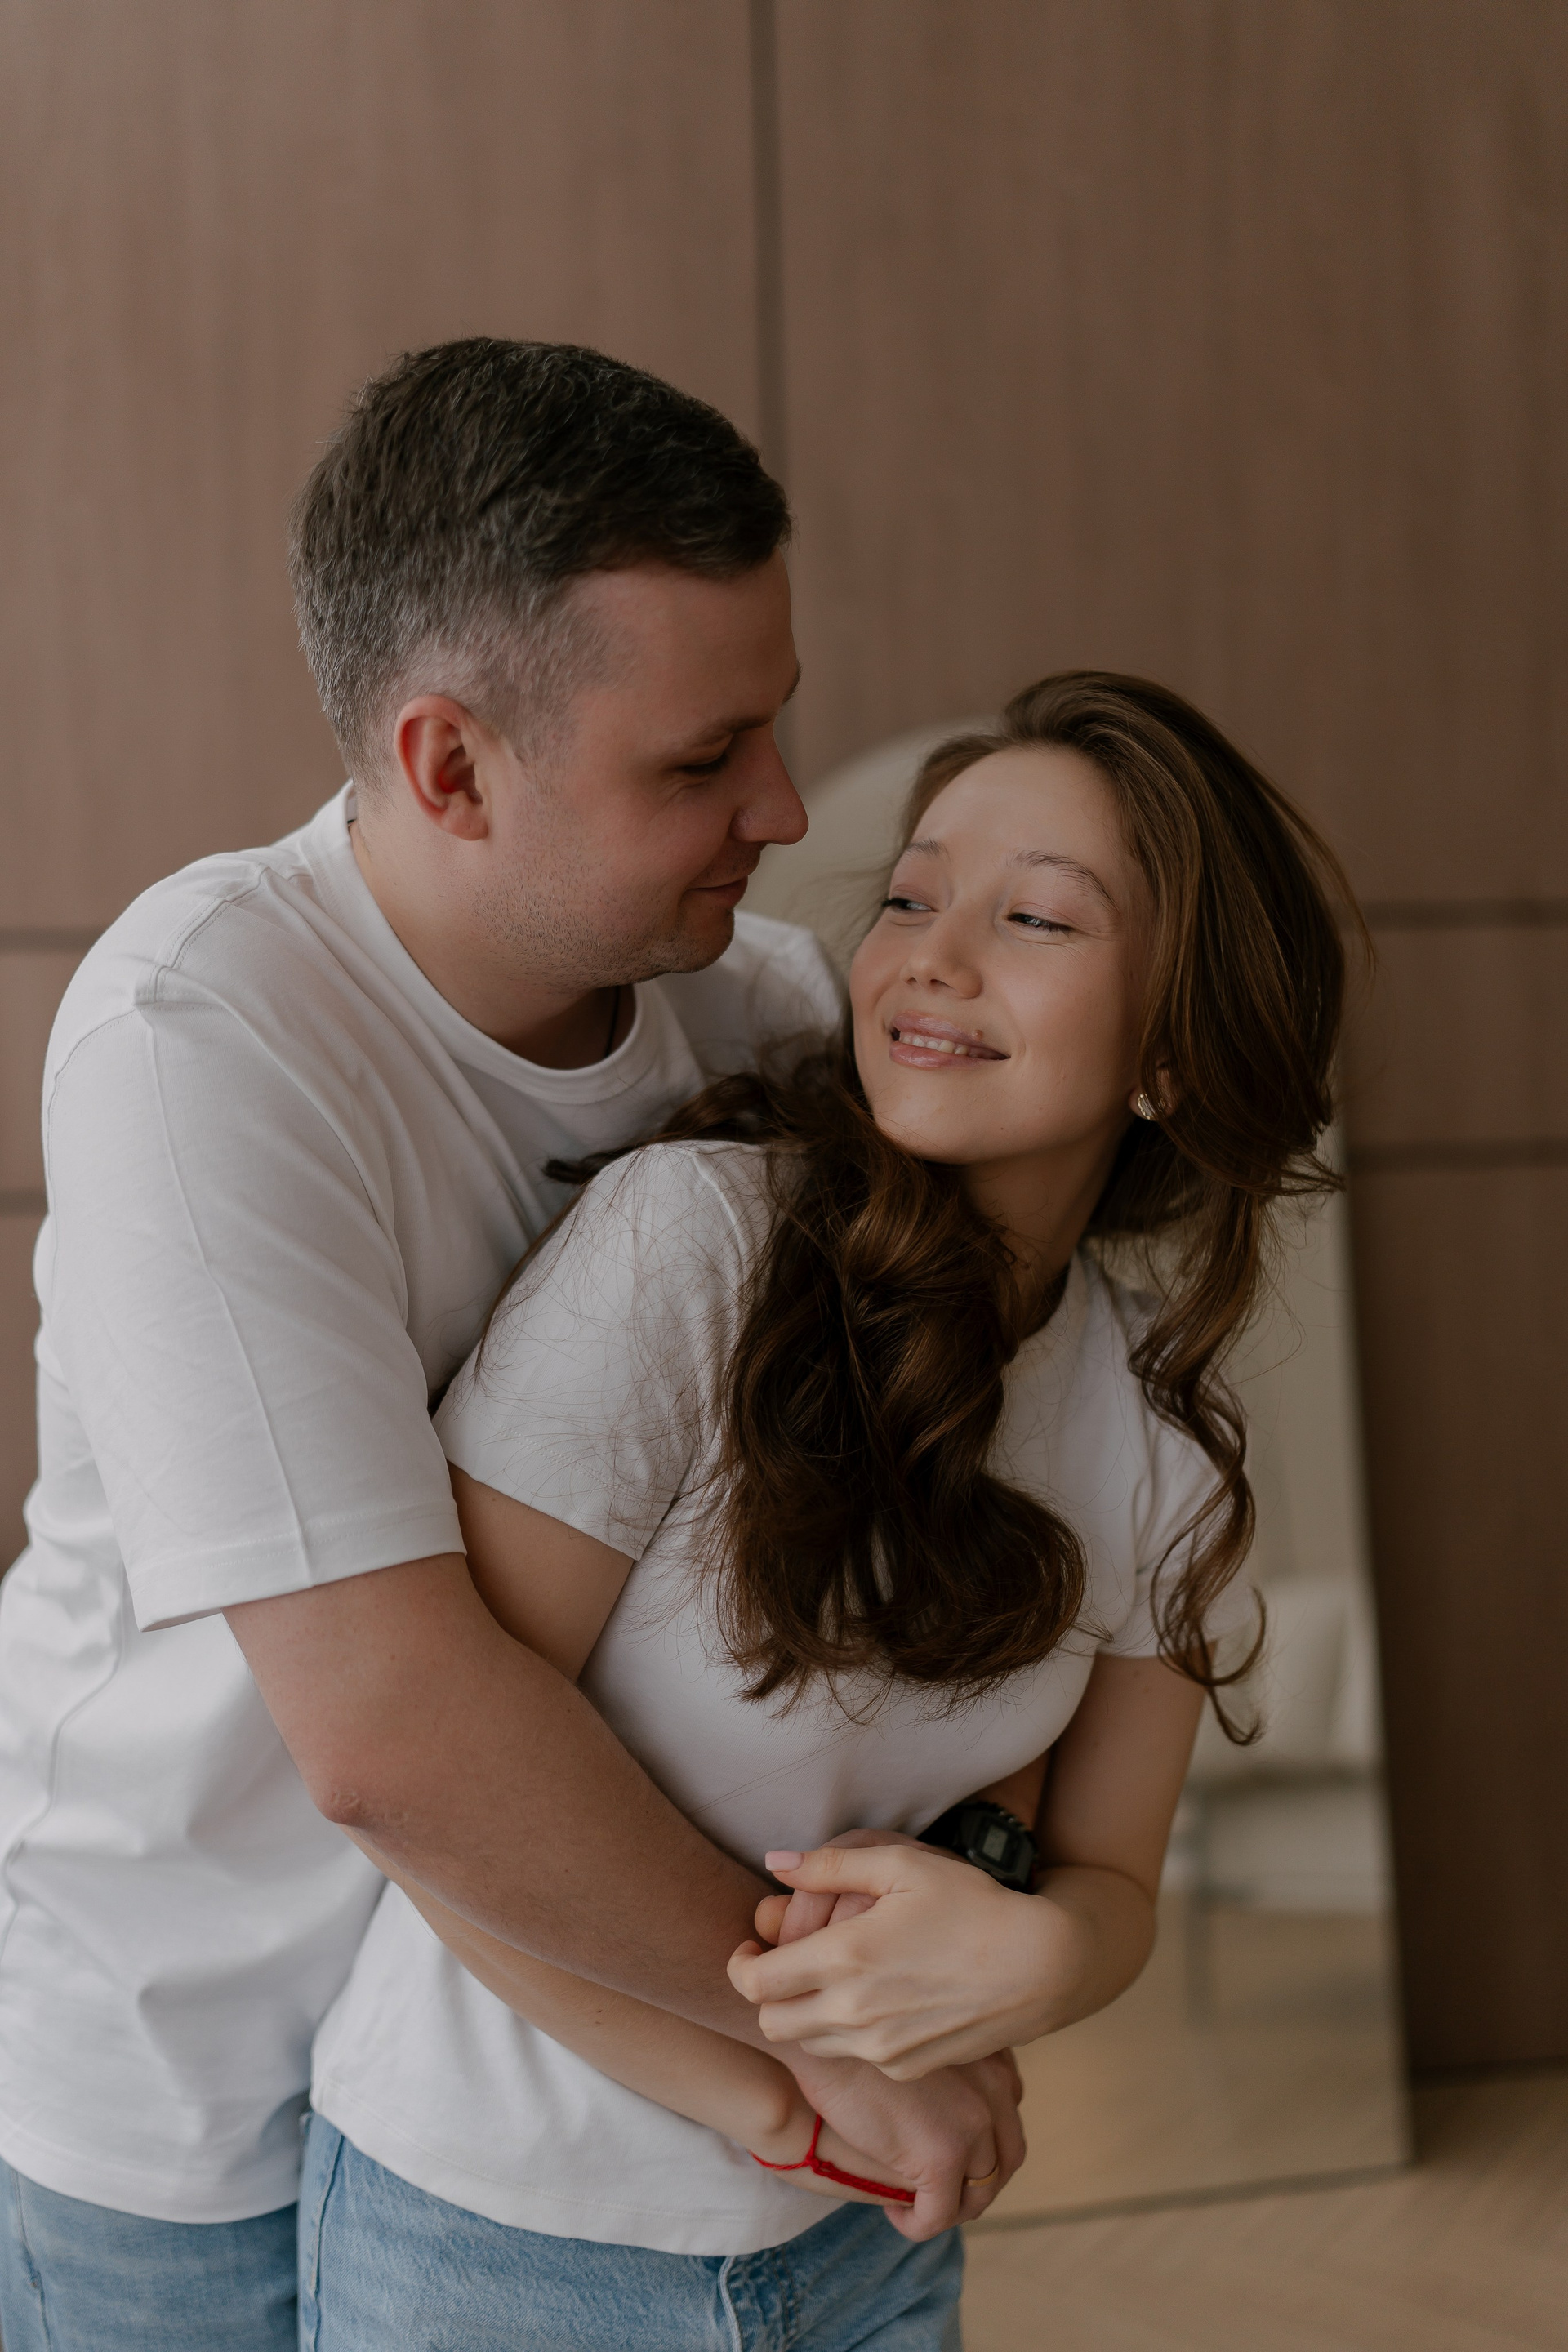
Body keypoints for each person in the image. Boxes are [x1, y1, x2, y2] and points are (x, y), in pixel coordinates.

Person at [0, 339, 1014, 2352]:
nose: (783, 806)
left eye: (776, 725)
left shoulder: (765, 1013)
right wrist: (816, 2036)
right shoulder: (198, 1038)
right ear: (450, 765)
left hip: (542, 2073)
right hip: (192, 2083)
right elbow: (389, 1732)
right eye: (700, 762)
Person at [300, 670, 1357, 2349]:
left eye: (1034, 918)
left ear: (1172, 1048)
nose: (933, 956)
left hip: (872, 2242)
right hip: (501, 2233)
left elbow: (1105, 1880)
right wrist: (792, 2105)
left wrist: (1046, 1963)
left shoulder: (1154, 1434)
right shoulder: (695, 1247)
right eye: (913, 898)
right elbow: (431, 1805)